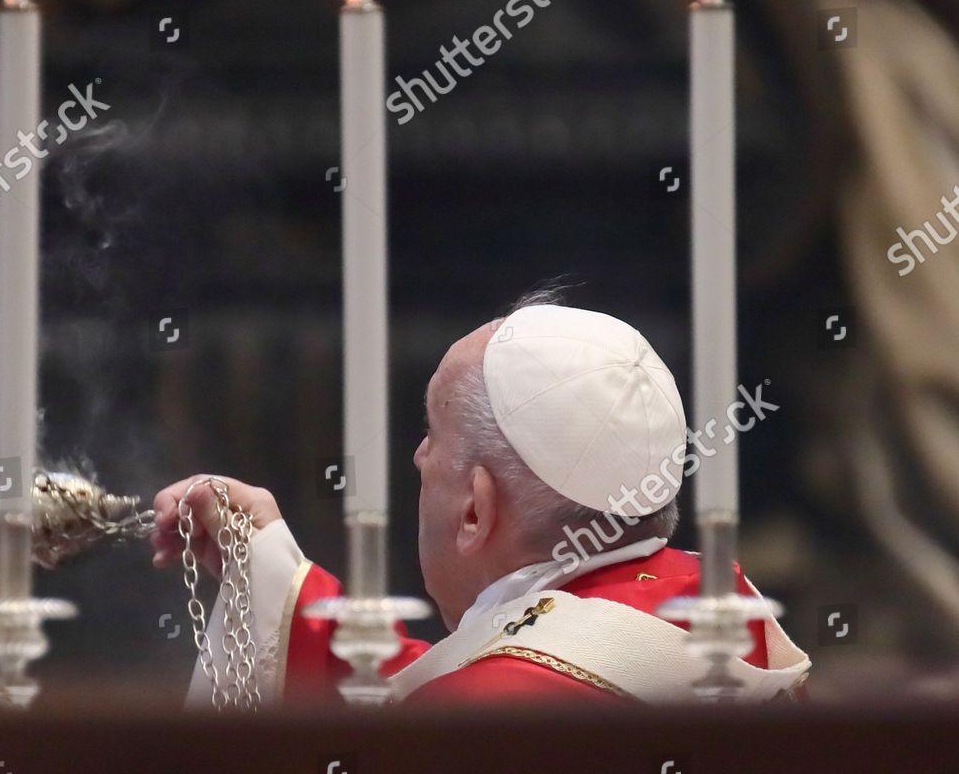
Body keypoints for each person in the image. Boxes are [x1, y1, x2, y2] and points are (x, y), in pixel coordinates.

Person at [150, 291, 811, 706]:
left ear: (474, 510)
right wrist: (270, 572)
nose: (417, 456)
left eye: (432, 434)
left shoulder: (485, 717)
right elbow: (465, 672)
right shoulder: (715, 601)